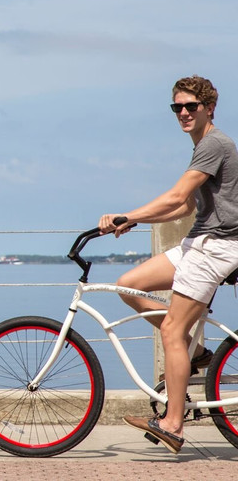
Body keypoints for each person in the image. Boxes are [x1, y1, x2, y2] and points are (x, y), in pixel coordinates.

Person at [99, 75, 238, 454]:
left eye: (190, 106)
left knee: (172, 330)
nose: (183, 113)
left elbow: (176, 194)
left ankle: (173, 424)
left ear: (209, 107)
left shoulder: (214, 144)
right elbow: (185, 206)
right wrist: (135, 220)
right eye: (176, 107)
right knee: (129, 284)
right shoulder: (202, 146)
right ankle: (194, 354)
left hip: (218, 247)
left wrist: (126, 213)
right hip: (198, 242)